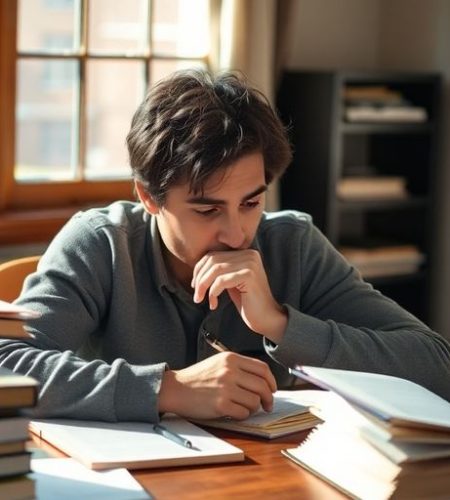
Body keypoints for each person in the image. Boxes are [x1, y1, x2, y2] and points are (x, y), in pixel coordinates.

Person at [1, 70, 449, 424]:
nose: (236, 235)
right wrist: (167, 389)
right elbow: (6, 368)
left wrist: (278, 323)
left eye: (251, 202)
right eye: (206, 210)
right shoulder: (102, 243)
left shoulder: (293, 245)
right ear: (149, 197)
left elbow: (436, 366)